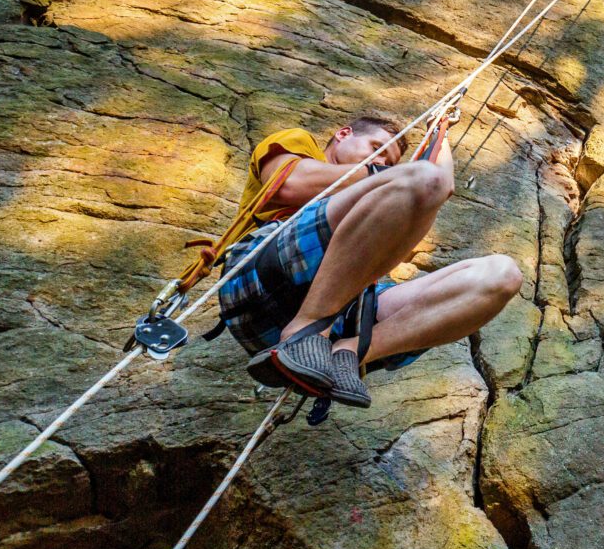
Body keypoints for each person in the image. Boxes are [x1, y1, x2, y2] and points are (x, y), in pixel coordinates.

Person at [215, 115, 523, 412]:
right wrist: (391, 175)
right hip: (259, 280)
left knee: (501, 276)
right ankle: (306, 328)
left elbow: (441, 184)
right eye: (377, 148)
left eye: (389, 163)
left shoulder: (379, 197)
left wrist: (440, 132)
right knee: (423, 179)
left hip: (342, 317)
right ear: (344, 133)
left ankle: (352, 350)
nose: (383, 163)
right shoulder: (299, 142)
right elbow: (287, 184)